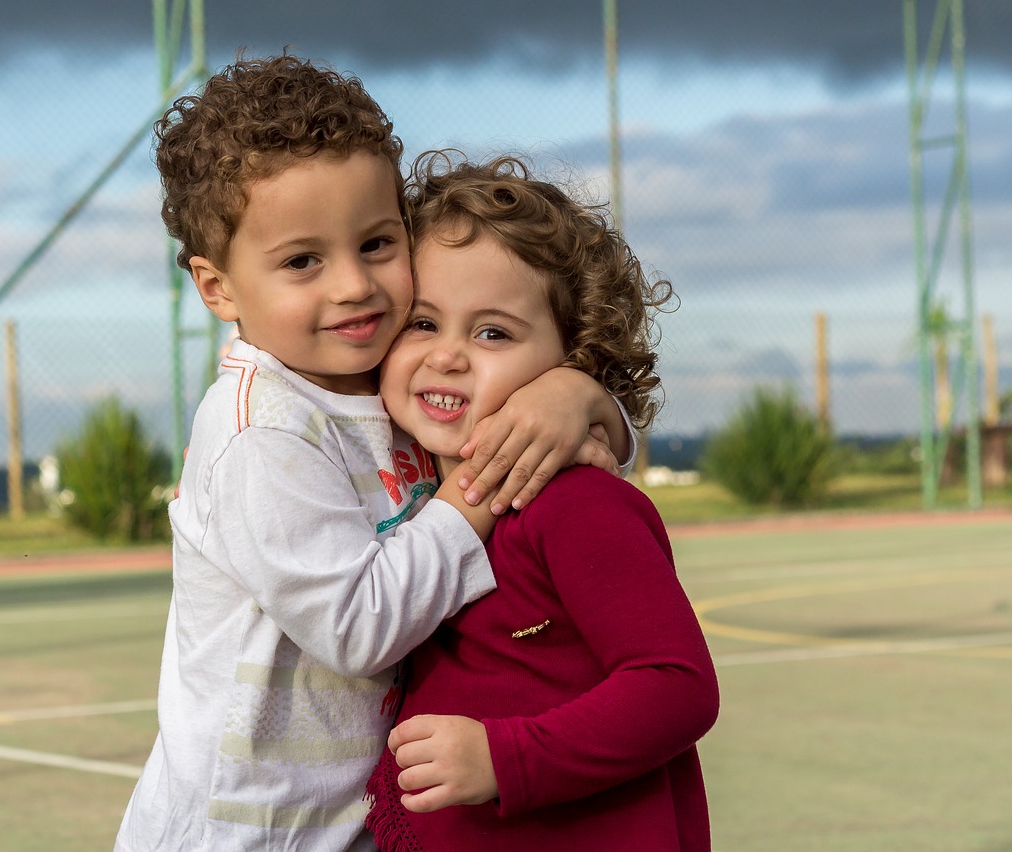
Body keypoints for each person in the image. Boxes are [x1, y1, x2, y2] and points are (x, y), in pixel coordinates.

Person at [115, 57, 635, 852]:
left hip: (353, 824)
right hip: (246, 834)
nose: (355, 285)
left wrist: (581, 400)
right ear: (217, 288)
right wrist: (473, 492)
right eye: (302, 261)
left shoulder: (391, 378)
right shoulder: (263, 432)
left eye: (377, 242)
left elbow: (581, 467)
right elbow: (359, 627)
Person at [365, 153, 719, 851]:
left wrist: (506, 758)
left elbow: (678, 685)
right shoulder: (403, 483)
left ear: (572, 359)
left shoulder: (574, 504)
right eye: (423, 322)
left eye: (493, 331)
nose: (448, 355)